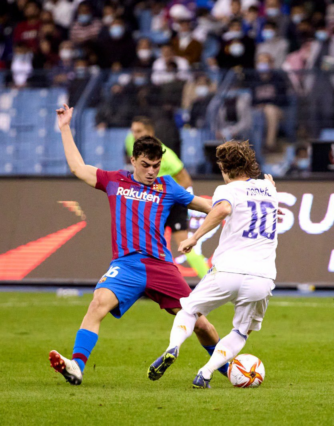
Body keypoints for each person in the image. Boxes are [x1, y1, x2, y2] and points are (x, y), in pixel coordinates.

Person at [49, 104, 229, 386]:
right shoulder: (114, 181)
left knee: (200, 322)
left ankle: (228, 369)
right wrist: (64, 127)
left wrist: (237, 211)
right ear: (133, 160)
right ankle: (77, 366)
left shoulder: (168, 185)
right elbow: (77, 167)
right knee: (97, 305)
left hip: (161, 267)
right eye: (145, 165)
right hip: (126, 265)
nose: (151, 171)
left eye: (156, 165)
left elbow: (209, 207)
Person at [148, 140, 278, 389]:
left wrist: (194, 238)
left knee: (189, 311)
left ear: (223, 168)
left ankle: (173, 347)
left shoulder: (227, 190)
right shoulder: (269, 189)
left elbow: (222, 210)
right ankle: (205, 373)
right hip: (261, 277)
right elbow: (262, 200)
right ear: (249, 164)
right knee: (240, 332)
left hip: (228, 270)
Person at [124, 117, 210, 278]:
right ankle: (148, 283)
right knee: (146, 245)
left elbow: (185, 180)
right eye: (133, 131)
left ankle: (211, 280)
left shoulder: (166, 155)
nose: (134, 135)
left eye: (139, 131)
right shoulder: (130, 143)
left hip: (172, 204)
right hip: (151, 204)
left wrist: (171, 199)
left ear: (150, 132)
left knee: (183, 243)